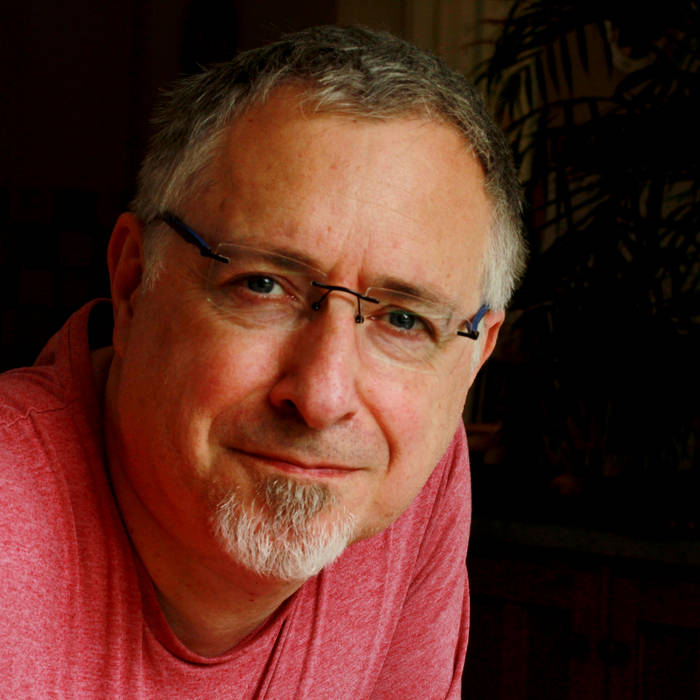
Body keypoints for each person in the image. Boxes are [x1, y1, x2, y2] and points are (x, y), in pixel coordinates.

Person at [0, 25, 525, 699]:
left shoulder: (406, 471)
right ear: (134, 283)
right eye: (263, 285)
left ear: (474, 357)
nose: (323, 398)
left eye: (403, 320)